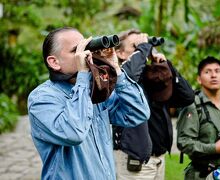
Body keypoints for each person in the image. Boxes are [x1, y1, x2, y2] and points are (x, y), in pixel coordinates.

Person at [27, 27, 150, 180]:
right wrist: (84, 76)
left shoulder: (94, 92)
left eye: (86, 48)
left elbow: (138, 113)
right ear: (54, 62)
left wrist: (116, 69)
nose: (86, 55)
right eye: (76, 51)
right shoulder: (42, 98)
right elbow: (74, 132)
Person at [112, 29, 195, 180]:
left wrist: (166, 66)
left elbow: (187, 97)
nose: (144, 50)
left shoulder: (154, 81)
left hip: (158, 159)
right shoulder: (119, 80)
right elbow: (129, 76)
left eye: (146, 47)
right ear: (120, 53)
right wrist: (143, 48)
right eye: (136, 46)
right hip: (133, 159)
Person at [177, 56, 220, 180]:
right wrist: (214, 149)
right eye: (207, 72)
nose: (213, 75)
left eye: (217, 71)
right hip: (203, 174)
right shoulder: (193, 106)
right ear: (199, 79)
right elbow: (183, 142)